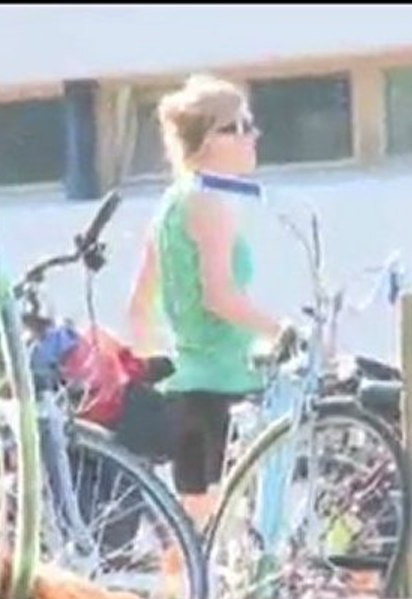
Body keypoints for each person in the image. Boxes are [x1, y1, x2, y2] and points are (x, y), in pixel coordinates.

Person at [128, 74, 289, 532]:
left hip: (185, 388)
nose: (251, 135)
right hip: (227, 385)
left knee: (196, 537)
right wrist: (282, 330)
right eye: (236, 126)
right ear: (205, 141)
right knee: (230, 533)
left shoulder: (171, 205)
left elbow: (140, 306)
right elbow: (220, 296)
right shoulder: (210, 203)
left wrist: (159, 362)